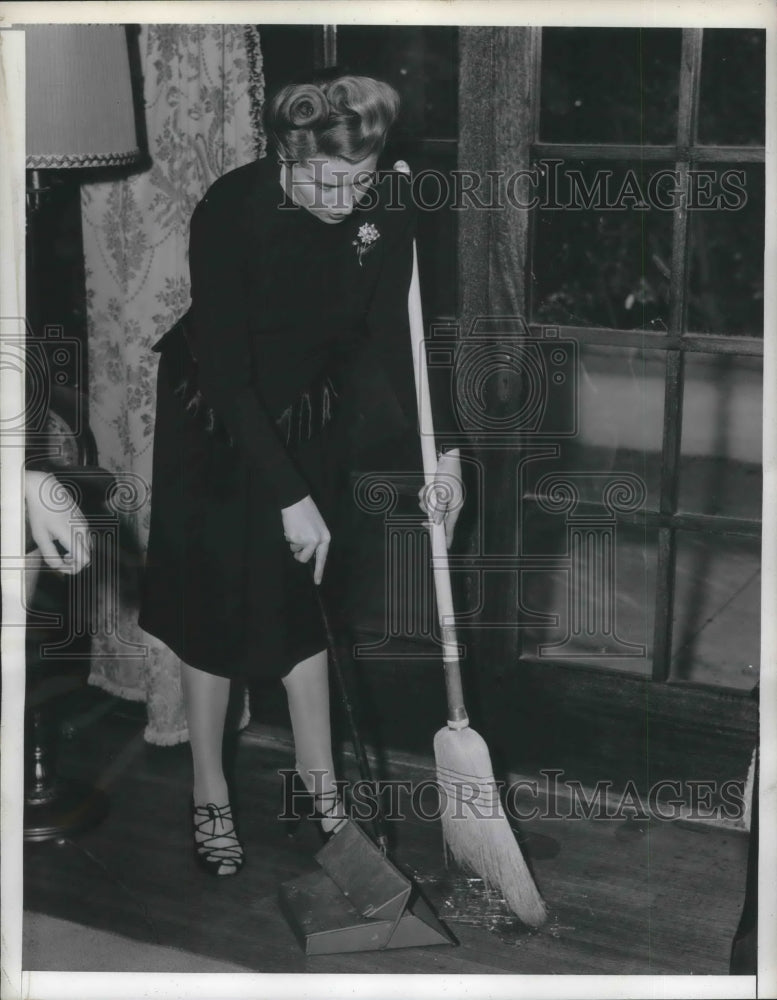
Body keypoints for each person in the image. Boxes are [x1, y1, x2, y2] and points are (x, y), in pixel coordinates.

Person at [139, 72, 462, 876]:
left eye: (358, 177)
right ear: (286, 152)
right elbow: (224, 370)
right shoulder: (233, 209)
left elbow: (398, 336)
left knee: (304, 605)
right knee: (213, 605)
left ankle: (322, 794)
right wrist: (288, 496)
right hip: (214, 417)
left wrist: (444, 453)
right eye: (323, 177)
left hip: (310, 412)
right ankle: (209, 791)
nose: (342, 195)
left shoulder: (385, 203)